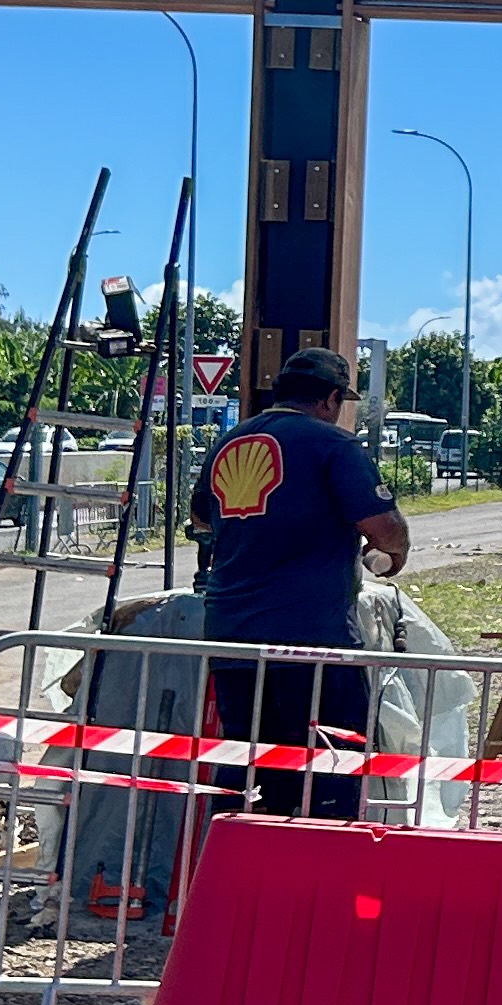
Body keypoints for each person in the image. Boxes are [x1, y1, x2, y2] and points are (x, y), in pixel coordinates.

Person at [190, 346, 410, 820]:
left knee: (249, 772)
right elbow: (384, 528)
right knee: (332, 773)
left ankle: (240, 861)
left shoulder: (228, 443)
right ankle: (320, 863)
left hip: (232, 641)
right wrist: (394, 554)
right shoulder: (333, 445)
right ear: (331, 398)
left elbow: (201, 518)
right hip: (311, 642)